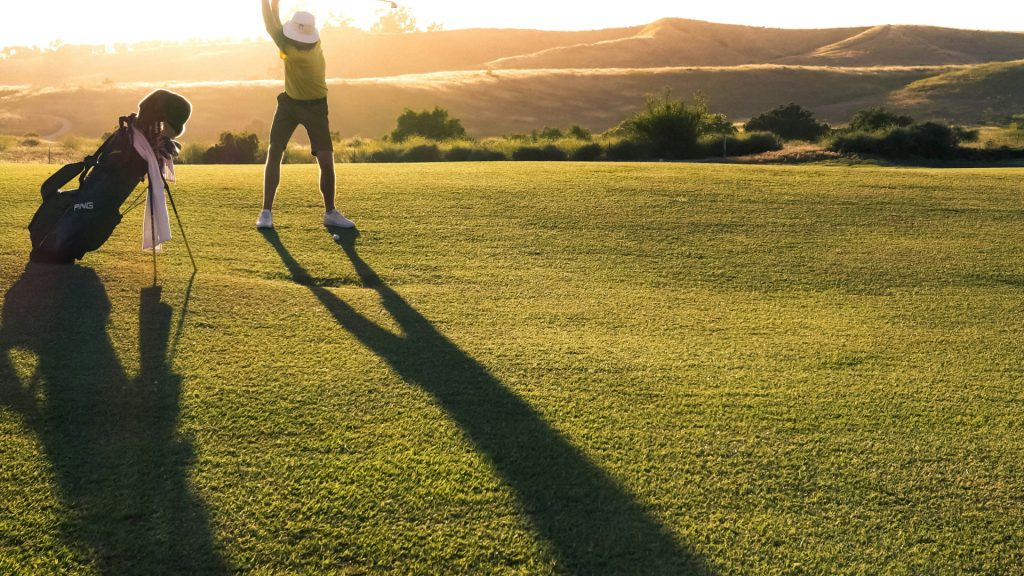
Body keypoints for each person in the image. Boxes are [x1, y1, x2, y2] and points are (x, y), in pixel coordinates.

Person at [258, 0, 355, 230]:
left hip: (315, 108)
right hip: (290, 104)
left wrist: (270, 3)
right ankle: (266, 212)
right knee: (275, 151)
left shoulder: (289, 47)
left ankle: (330, 212)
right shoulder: (308, 42)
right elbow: (275, 25)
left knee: (325, 161)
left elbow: (271, 24)